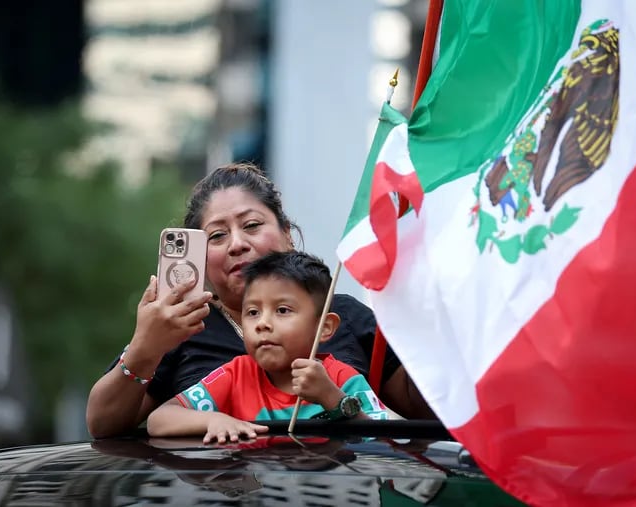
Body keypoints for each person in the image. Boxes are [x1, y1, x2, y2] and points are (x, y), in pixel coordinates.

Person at [86, 162, 434, 438]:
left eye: (251, 225)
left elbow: (429, 411)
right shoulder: (180, 327)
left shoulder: (340, 311)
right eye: (218, 235)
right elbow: (103, 427)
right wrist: (146, 347)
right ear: (204, 258)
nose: (237, 243)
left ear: (286, 233)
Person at [147, 251, 388, 441]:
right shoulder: (236, 375)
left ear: (325, 327)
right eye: (252, 312)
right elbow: (159, 420)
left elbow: (385, 441)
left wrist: (332, 398)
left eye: (282, 310)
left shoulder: (341, 378)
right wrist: (212, 420)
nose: (262, 323)